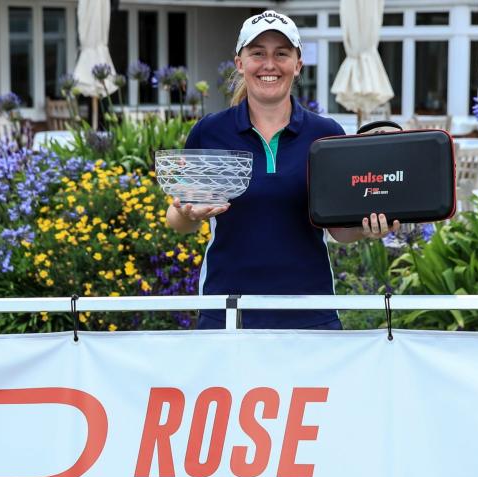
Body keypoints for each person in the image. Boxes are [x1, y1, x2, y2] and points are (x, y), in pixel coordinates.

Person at [166, 10, 400, 329]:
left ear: (297, 65)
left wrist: (367, 227)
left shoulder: (325, 134)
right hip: (228, 312)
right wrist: (187, 214)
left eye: (282, 54)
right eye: (258, 53)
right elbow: (177, 220)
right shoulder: (209, 133)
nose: (269, 64)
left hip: (310, 312)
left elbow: (339, 229)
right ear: (240, 63)